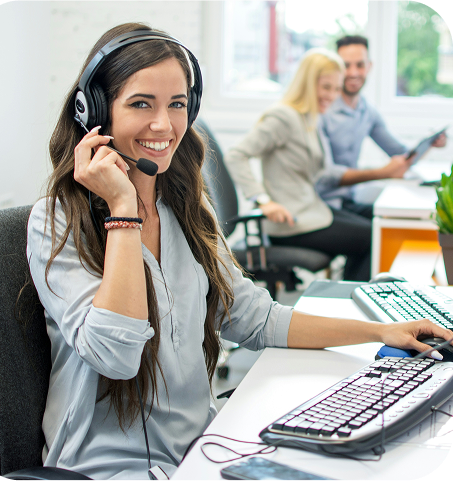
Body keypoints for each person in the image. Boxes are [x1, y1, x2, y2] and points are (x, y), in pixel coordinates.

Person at [26, 24, 453, 481]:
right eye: (140, 104)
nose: (164, 125)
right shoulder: (56, 222)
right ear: (94, 111)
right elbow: (116, 357)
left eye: (177, 105)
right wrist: (124, 212)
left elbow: (254, 318)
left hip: (202, 448)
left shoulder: (183, 208)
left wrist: (379, 332)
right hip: (110, 469)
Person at [225, 48, 375, 281]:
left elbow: (322, 170)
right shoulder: (283, 117)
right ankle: (353, 304)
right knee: (372, 238)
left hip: (311, 211)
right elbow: (237, 155)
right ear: (306, 83)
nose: (333, 95)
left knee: (375, 229)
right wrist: (263, 200)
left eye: (337, 88)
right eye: (326, 87)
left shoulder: (309, 117)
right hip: (290, 223)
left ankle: (349, 298)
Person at [320, 35, 447, 217]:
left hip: (349, 201)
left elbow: (401, 154)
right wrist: (383, 172)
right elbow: (326, 174)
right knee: (376, 234)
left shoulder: (367, 111)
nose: (354, 72)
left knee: (402, 221)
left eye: (360, 65)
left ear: (369, 66)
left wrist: (429, 144)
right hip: (324, 205)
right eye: (346, 65)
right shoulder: (323, 110)